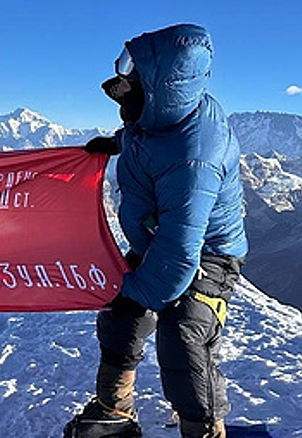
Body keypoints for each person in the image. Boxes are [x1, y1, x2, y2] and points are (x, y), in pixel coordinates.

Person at [64, 24, 248, 438]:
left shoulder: (195, 156)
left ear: (163, 83)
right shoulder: (166, 112)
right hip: (159, 238)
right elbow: (147, 134)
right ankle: (115, 408)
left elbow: (181, 250)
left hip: (209, 254)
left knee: (183, 334)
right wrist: (115, 144)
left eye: (134, 79)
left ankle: (204, 429)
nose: (124, 88)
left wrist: (140, 289)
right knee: (119, 312)